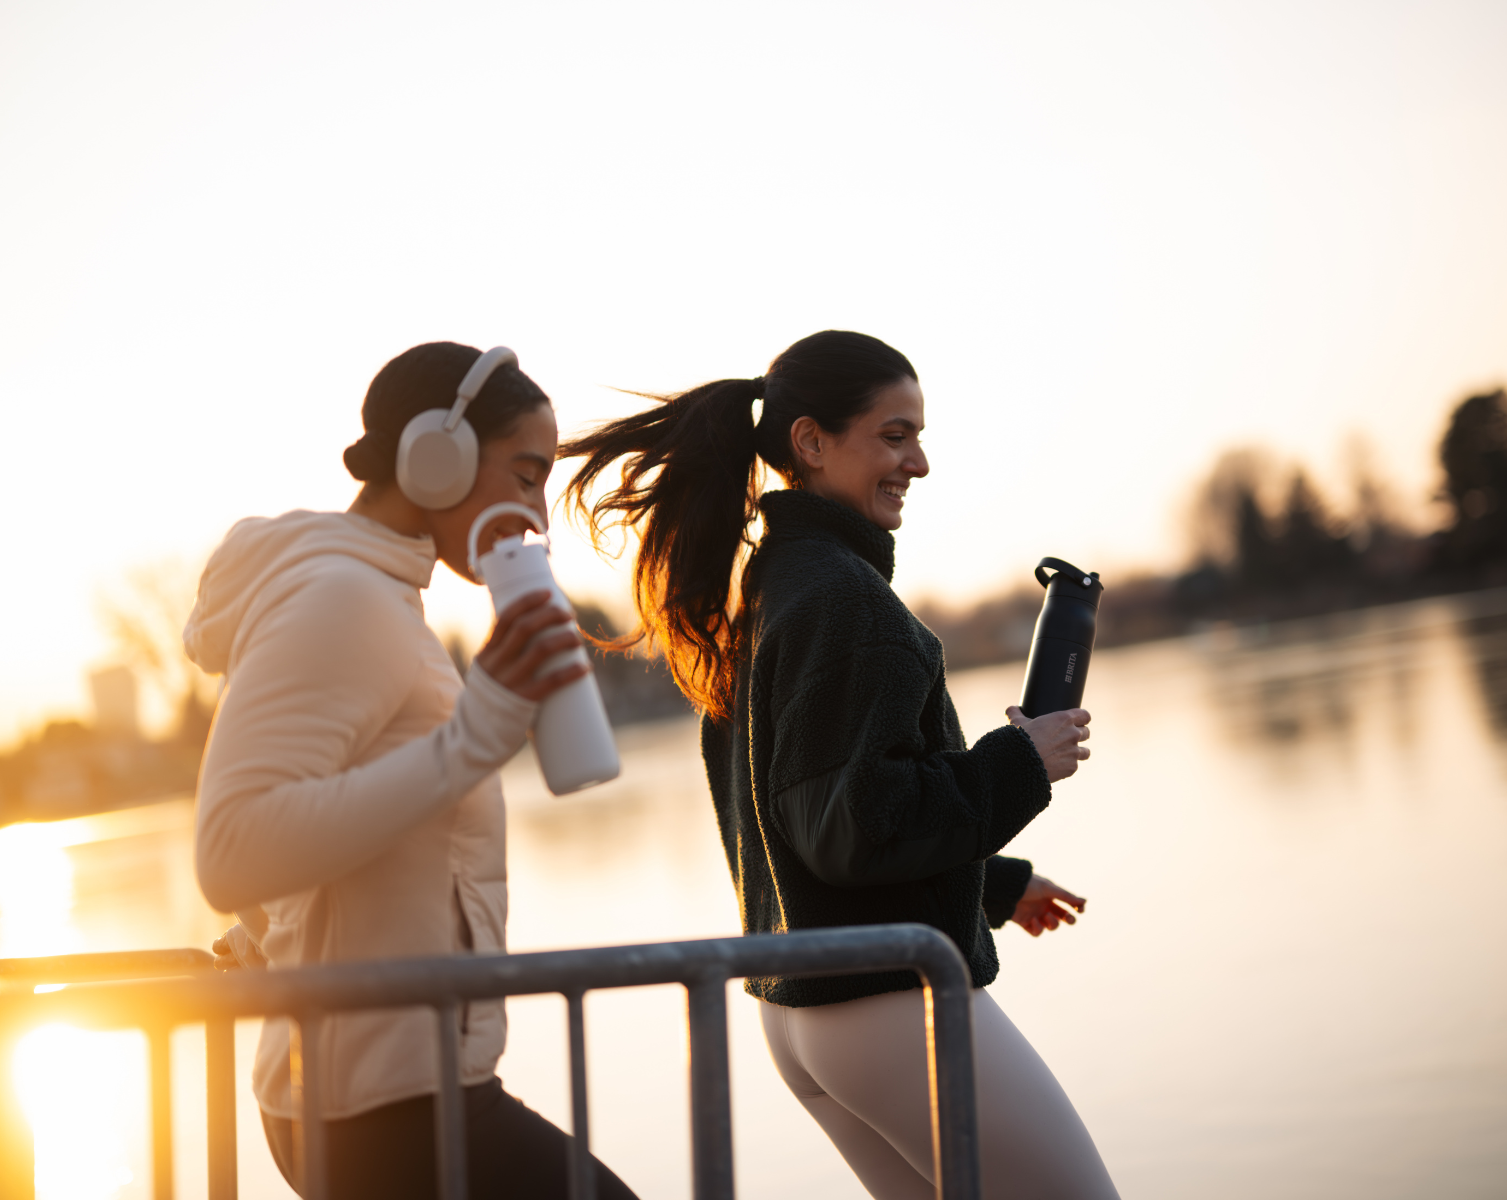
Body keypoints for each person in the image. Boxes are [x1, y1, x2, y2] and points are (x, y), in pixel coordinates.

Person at [560, 330, 1120, 1199]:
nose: (921, 462)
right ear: (811, 444)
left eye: (919, 436)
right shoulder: (843, 600)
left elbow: (800, 809)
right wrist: (1023, 763)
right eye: (895, 436)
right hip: (887, 1002)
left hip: (808, 1015)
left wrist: (996, 885)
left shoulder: (773, 588)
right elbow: (853, 828)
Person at [187, 342, 639, 1200]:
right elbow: (232, 846)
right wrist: (478, 731)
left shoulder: (375, 596)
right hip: (378, 1109)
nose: (539, 514)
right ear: (441, 456)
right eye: (525, 474)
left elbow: (308, 799)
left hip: (390, 1091)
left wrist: (281, 933)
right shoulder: (344, 599)